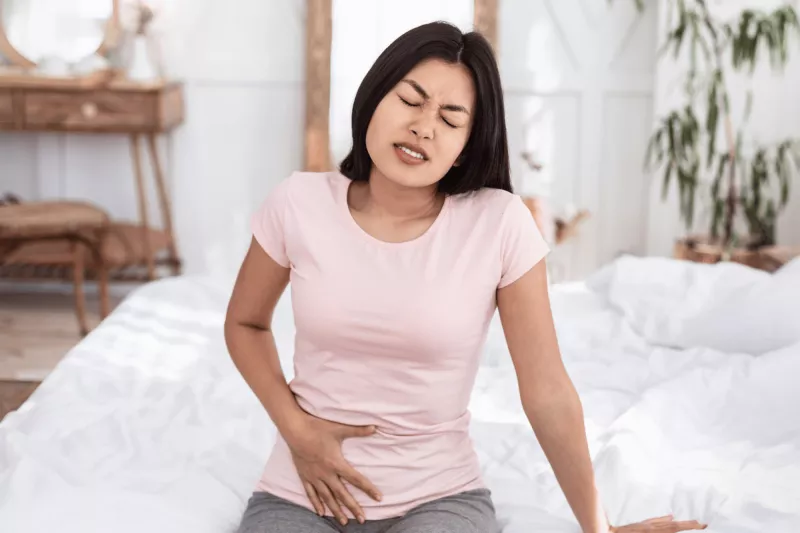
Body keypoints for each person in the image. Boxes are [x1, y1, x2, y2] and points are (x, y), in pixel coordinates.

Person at [224, 21, 707, 533]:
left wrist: (598, 528)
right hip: (299, 494)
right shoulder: (298, 203)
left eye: (450, 119)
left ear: (467, 144)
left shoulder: (498, 223)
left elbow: (546, 390)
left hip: (438, 500)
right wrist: (296, 429)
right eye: (410, 99)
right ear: (373, 96)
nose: (423, 127)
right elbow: (246, 324)